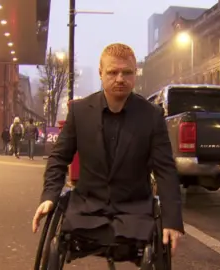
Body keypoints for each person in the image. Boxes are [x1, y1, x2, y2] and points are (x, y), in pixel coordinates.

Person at [32, 43, 183, 256]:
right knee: (56, 247)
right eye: (113, 72)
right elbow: (58, 158)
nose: (120, 78)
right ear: (101, 73)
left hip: (135, 211)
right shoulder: (80, 112)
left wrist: (172, 220)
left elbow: (166, 170)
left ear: (135, 75)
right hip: (86, 208)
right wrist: (49, 196)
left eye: (127, 72)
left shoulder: (152, 115)